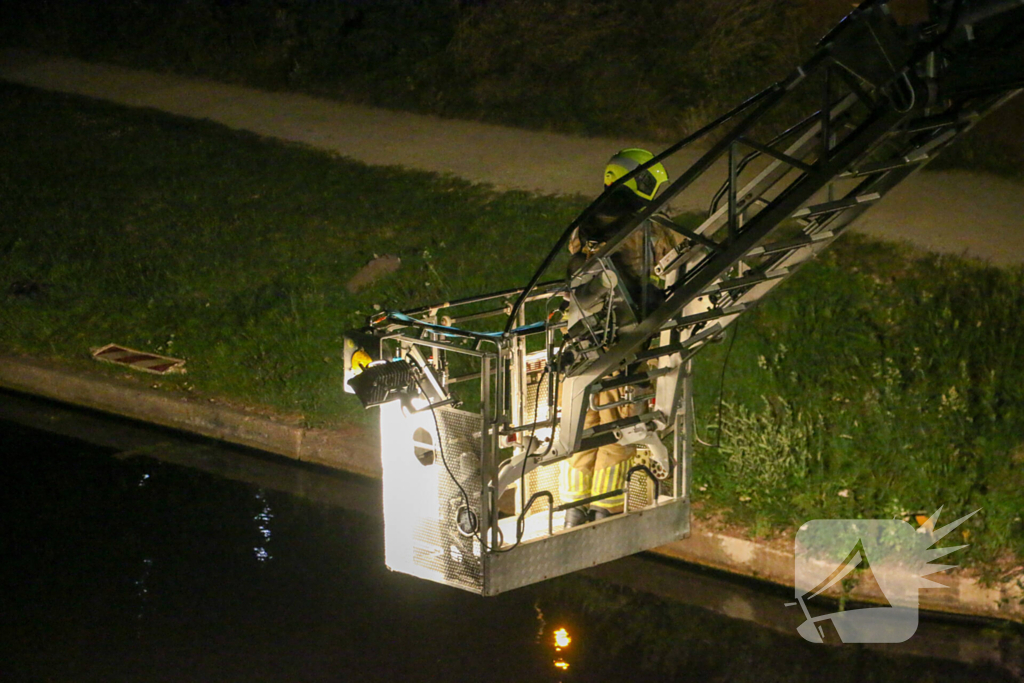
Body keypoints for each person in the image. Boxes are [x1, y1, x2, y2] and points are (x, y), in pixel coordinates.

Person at [560, 148, 676, 528]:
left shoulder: (588, 222)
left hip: (584, 334)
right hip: (623, 341)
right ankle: (603, 509)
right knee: (617, 423)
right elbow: (680, 257)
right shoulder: (647, 225)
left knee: (582, 421)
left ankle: (573, 505)